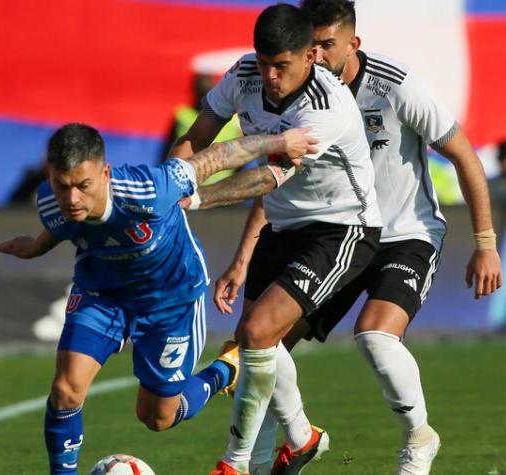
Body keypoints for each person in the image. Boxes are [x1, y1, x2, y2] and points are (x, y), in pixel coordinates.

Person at [242, 2, 504, 474]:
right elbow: (282, 183)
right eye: (310, 46)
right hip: (335, 234)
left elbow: (465, 155)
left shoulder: (396, 87)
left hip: (404, 234)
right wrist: (243, 256)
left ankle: (418, 440)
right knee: (264, 343)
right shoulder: (297, 102)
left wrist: (484, 242)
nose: (316, 56)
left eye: (327, 45)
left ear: (352, 44)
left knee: (375, 335)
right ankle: (273, 455)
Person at [0, 122, 317, 475]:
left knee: (157, 417)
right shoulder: (50, 199)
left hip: (171, 301)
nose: (73, 198)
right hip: (102, 293)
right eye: (63, 185)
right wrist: (33, 248)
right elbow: (58, 228)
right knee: (65, 390)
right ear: (51, 176)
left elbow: (217, 157)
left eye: (83, 186)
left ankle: (225, 369)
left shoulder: (148, 188)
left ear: (105, 174)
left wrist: (280, 141)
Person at [170, 5, 384, 474]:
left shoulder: (325, 107)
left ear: (310, 56)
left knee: (255, 333)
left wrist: (196, 199)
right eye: (263, 62)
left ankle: (236, 463)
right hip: (283, 226)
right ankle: (301, 440)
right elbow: (200, 135)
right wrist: (168, 181)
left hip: (343, 229)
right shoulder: (244, 75)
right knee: (258, 347)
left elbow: (267, 176)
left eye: (281, 65)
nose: (268, 75)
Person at [161, 73, 243, 185]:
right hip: (221, 186)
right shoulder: (234, 120)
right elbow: (243, 154)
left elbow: (168, 150)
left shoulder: (182, 115)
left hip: (190, 184)